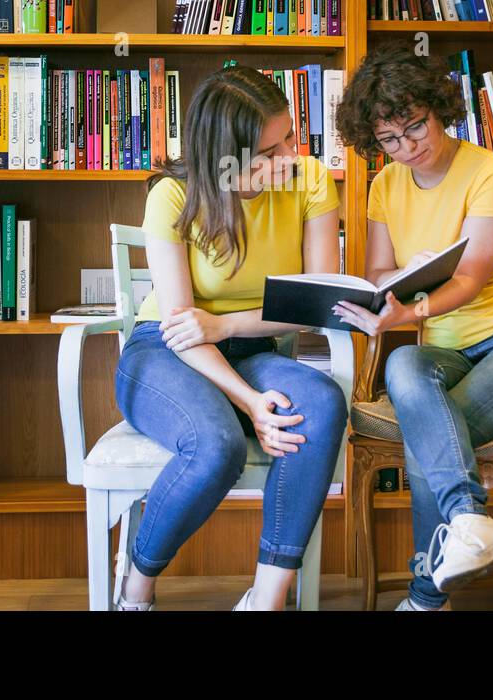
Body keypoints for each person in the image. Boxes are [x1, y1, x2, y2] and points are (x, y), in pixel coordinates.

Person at [332, 44, 493, 611]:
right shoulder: (385, 185)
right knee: (402, 363)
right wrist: (399, 295)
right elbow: (378, 274)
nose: (406, 147)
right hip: (447, 350)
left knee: (428, 432)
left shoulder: (491, 172)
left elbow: (468, 280)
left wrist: (411, 306)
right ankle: (468, 522)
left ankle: (425, 596)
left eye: (415, 127)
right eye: (389, 139)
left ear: (440, 109)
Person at [113, 64, 347, 611]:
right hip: (166, 353)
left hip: (250, 348)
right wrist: (250, 403)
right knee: (215, 446)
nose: (288, 157)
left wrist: (227, 325)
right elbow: (180, 327)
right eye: (270, 151)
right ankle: (137, 585)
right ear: (228, 153)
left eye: (290, 136)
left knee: (320, 401)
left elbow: (317, 304)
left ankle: (265, 599)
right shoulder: (173, 195)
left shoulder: (310, 180)